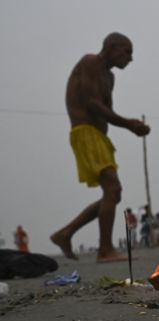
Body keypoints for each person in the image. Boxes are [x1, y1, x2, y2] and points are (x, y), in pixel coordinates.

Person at [50, 33, 150, 263]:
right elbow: (92, 104)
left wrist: (131, 126)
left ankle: (65, 234)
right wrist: (128, 124)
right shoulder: (91, 63)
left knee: (113, 194)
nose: (130, 58)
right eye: (127, 52)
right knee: (112, 190)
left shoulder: (109, 77)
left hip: (98, 136)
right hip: (85, 133)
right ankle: (105, 250)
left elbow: (107, 110)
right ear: (112, 48)